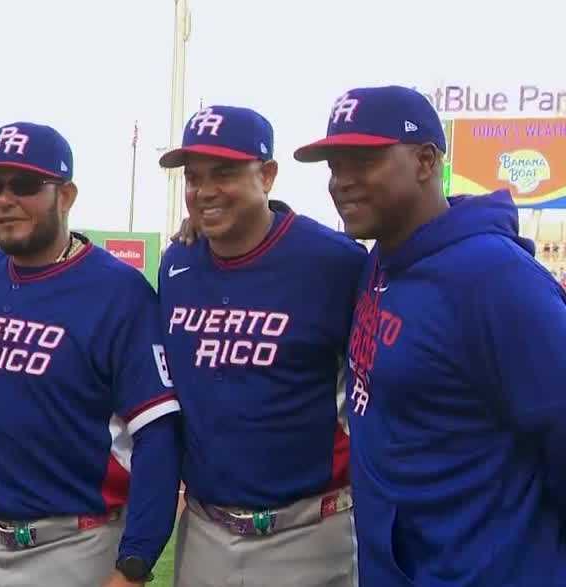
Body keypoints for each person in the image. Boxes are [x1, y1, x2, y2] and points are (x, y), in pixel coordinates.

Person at [294, 84, 566, 586]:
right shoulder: (380, 259)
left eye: (362, 161)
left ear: (425, 161)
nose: (341, 182)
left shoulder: (495, 278)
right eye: (334, 165)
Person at [0, 122, 182, 587]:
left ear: (67, 195)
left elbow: (158, 435)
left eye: (24, 185)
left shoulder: (118, 292)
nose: (4, 198)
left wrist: (134, 563)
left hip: (74, 546)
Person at [157, 105, 366, 586]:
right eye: (194, 177)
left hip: (311, 530)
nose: (205, 190)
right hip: (206, 529)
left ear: (267, 175)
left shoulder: (335, 263)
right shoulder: (179, 264)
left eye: (225, 173)